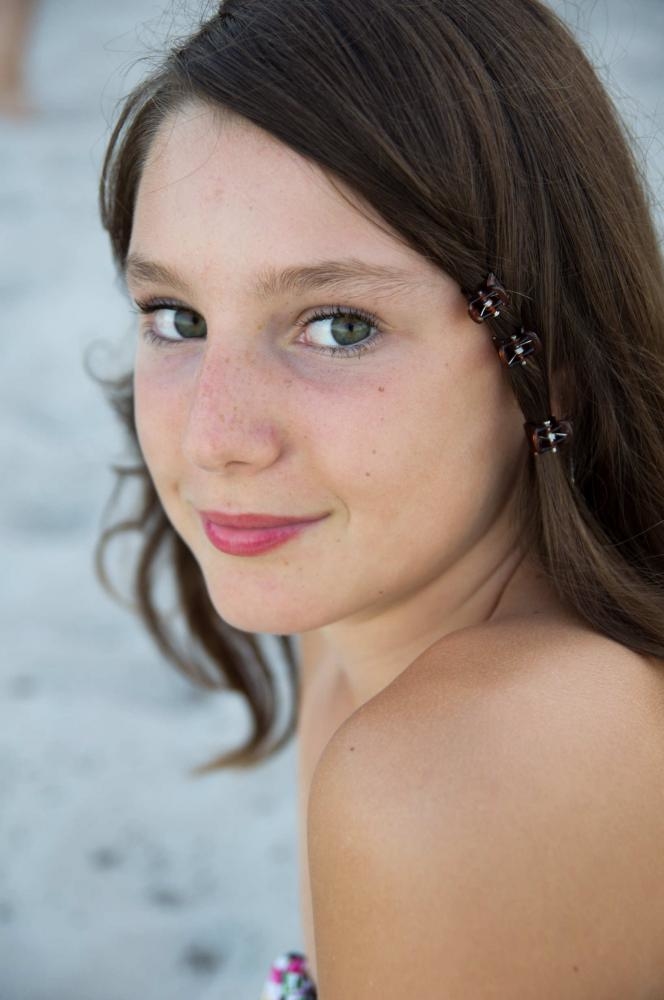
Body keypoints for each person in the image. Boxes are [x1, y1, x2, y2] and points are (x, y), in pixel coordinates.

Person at [96, 0, 664, 995]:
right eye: (177, 317)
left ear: (553, 360)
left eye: (339, 326)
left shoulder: (454, 775)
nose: (214, 437)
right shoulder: (355, 597)